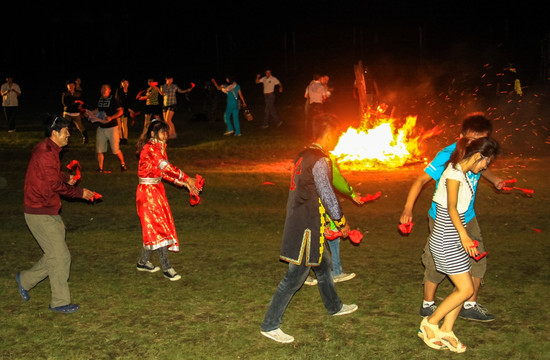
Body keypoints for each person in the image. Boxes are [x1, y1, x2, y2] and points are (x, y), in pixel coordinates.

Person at [260, 113, 358, 344]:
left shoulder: (302, 155)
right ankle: (270, 324)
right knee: (294, 278)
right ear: (329, 134)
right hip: (306, 227)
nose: (338, 139)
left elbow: (308, 191)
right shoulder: (321, 159)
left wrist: (323, 221)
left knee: (323, 266)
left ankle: (334, 306)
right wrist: (341, 223)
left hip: (303, 220)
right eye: (337, 135)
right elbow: (326, 193)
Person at [400, 113, 504, 322]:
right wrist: (408, 208)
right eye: (474, 140)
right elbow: (421, 181)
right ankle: (428, 305)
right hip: (443, 218)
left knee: (477, 259)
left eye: (482, 141)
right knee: (437, 263)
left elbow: (480, 168)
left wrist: (494, 179)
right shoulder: (448, 156)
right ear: (462, 136)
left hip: (469, 216)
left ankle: (469, 304)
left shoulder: (477, 156)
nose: (478, 145)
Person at [417, 136, 499, 353]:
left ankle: (447, 330)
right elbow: (452, 208)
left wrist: (464, 238)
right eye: (485, 162)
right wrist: (464, 237)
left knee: (462, 287)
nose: (484, 167)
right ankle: (430, 324)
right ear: (478, 156)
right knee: (465, 289)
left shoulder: (461, 172)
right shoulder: (453, 174)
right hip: (446, 240)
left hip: (454, 238)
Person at [16, 114, 95, 314]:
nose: (69, 134)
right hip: (39, 211)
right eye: (66, 131)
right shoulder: (45, 152)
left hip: (47, 208)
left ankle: (24, 279)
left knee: (54, 255)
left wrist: (67, 177)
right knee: (61, 256)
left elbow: (51, 174)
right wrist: (80, 193)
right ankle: (59, 302)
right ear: (55, 133)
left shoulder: (49, 150)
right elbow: (53, 184)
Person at [135, 120, 200, 281]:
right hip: (147, 193)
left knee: (155, 228)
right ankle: (166, 267)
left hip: (156, 191)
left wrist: (185, 185)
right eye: (163, 132)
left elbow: (163, 174)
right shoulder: (150, 148)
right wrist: (187, 178)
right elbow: (166, 167)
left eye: (166, 132)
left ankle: (143, 262)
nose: (166, 135)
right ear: (153, 133)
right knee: (160, 228)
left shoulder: (159, 148)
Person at [305, 154, 365, 285]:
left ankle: (335, 271)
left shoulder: (304, 157)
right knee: (315, 237)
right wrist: (351, 193)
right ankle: (302, 274)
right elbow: (336, 180)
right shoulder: (325, 158)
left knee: (317, 235)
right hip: (319, 204)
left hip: (304, 204)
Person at [90, 84, 128, 172]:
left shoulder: (114, 100)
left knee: (115, 149)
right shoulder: (100, 100)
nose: (103, 90)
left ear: (109, 90)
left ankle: (123, 164)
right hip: (101, 127)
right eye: (102, 88)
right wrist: (90, 113)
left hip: (112, 128)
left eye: (105, 89)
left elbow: (120, 111)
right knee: (99, 149)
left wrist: (111, 117)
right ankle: (100, 168)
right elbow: (98, 110)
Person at [62, 79, 88, 143]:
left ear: (75, 86)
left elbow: (82, 101)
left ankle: (85, 138)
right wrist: (73, 103)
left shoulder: (78, 93)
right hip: (67, 113)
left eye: (72, 85)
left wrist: (79, 105)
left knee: (80, 126)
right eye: (69, 85)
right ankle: (66, 140)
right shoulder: (65, 93)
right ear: (67, 86)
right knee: (66, 127)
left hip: (76, 113)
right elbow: (64, 103)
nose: (71, 87)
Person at [304, 74, 327, 139]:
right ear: (319, 79)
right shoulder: (322, 87)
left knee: (312, 121)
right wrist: (323, 99)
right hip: (319, 105)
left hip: (311, 105)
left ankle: (311, 136)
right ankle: (319, 135)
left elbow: (306, 96)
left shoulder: (309, 86)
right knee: (320, 120)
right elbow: (324, 97)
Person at [114, 78, 136, 145]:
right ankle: (120, 139)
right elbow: (119, 100)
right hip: (119, 109)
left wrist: (129, 109)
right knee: (119, 125)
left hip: (126, 110)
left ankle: (125, 139)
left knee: (125, 124)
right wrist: (125, 108)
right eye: (124, 83)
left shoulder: (130, 91)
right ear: (122, 83)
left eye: (127, 83)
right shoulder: (119, 91)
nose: (126, 84)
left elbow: (131, 101)